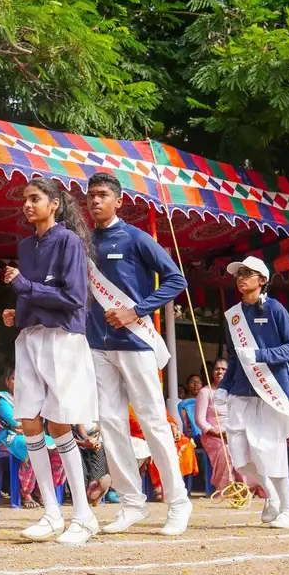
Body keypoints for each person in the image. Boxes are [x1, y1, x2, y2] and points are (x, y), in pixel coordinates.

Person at [83, 172, 192, 537]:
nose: (95, 201)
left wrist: (137, 310)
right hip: (97, 344)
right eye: (90, 196)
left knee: (153, 423)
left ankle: (178, 503)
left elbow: (176, 280)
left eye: (101, 195)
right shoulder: (82, 242)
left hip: (136, 341)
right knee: (111, 426)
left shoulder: (135, 238)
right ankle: (131, 504)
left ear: (118, 200)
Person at [1, 178, 100, 544]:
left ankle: (83, 515)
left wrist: (25, 288)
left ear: (55, 203)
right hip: (30, 335)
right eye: (25, 200)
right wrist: (18, 310)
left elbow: (74, 297)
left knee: (59, 422)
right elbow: (37, 293)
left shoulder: (69, 241)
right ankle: (51, 513)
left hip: (62, 336)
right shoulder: (26, 245)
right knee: (28, 419)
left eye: (35, 199)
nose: (27, 205)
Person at [216, 256, 289, 528]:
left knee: (269, 447)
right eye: (238, 273)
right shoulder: (233, 316)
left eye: (248, 273)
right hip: (241, 390)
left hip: (272, 388)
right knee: (241, 453)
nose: (241, 277)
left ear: (262, 280)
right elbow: (235, 358)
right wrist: (222, 387)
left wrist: (260, 354)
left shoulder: (275, 309)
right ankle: (271, 495)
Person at [0, 370, 65, 508]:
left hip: (32, 434)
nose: (17, 382)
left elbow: (39, 423)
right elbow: (14, 422)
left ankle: (44, 490)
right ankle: (26, 492)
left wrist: (30, 427)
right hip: (8, 437)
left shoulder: (30, 400)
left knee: (59, 448)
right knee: (32, 446)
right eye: (13, 378)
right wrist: (29, 426)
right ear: (7, 381)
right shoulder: (3, 398)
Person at [196, 358, 256, 494]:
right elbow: (200, 420)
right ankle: (225, 488)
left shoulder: (234, 392)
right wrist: (217, 433)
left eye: (224, 369)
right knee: (226, 452)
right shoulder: (205, 392)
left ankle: (245, 488)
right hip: (214, 436)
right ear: (212, 372)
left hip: (233, 433)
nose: (220, 371)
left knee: (250, 448)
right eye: (217, 368)